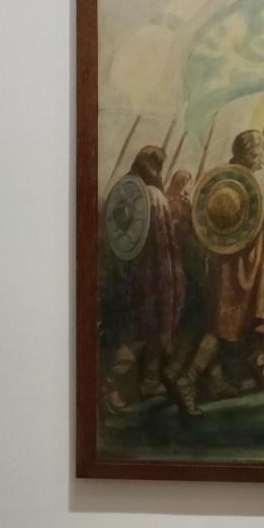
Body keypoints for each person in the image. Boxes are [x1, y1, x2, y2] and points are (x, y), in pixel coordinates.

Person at [172, 129, 264, 414]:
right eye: (261, 150)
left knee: (224, 325)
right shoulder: (246, 185)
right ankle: (188, 379)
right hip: (238, 271)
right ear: (247, 153)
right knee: (222, 328)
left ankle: (215, 380)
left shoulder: (235, 181)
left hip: (230, 267)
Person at [101, 146, 185, 412]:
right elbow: (162, 244)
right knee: (141, 333)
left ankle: (148, 381)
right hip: (151, 275)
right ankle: (107, 388)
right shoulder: (155, 196)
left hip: (128, 273)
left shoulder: (124, 192)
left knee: (148, 331)